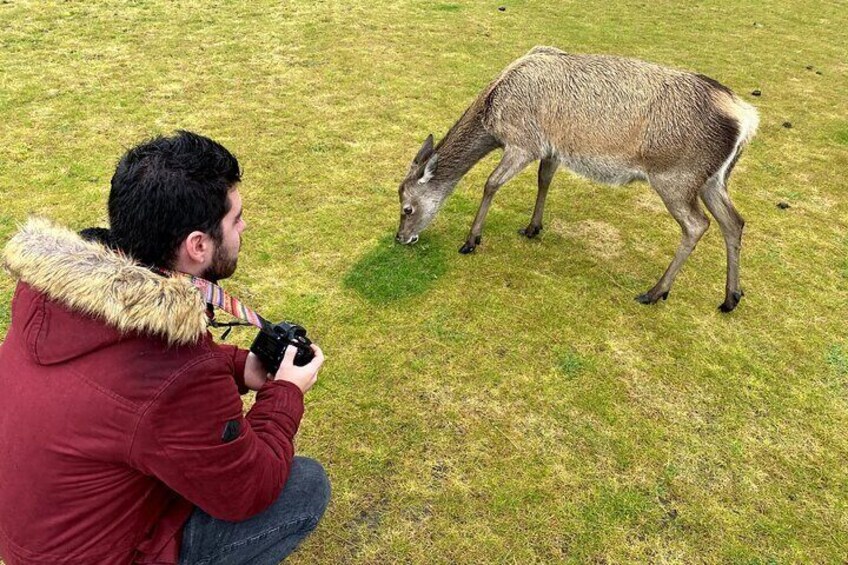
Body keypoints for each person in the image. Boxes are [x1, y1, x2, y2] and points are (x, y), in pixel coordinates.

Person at [0, 131, 330, 564]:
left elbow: (127, 388)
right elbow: (247, 490)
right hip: (97, 556)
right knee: (304, 486)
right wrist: (284, 392)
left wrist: (239, 367)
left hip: (33, 535)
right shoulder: (175, 369)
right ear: (198, 246)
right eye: (236, 219)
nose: (244, 227)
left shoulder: (50, 291)